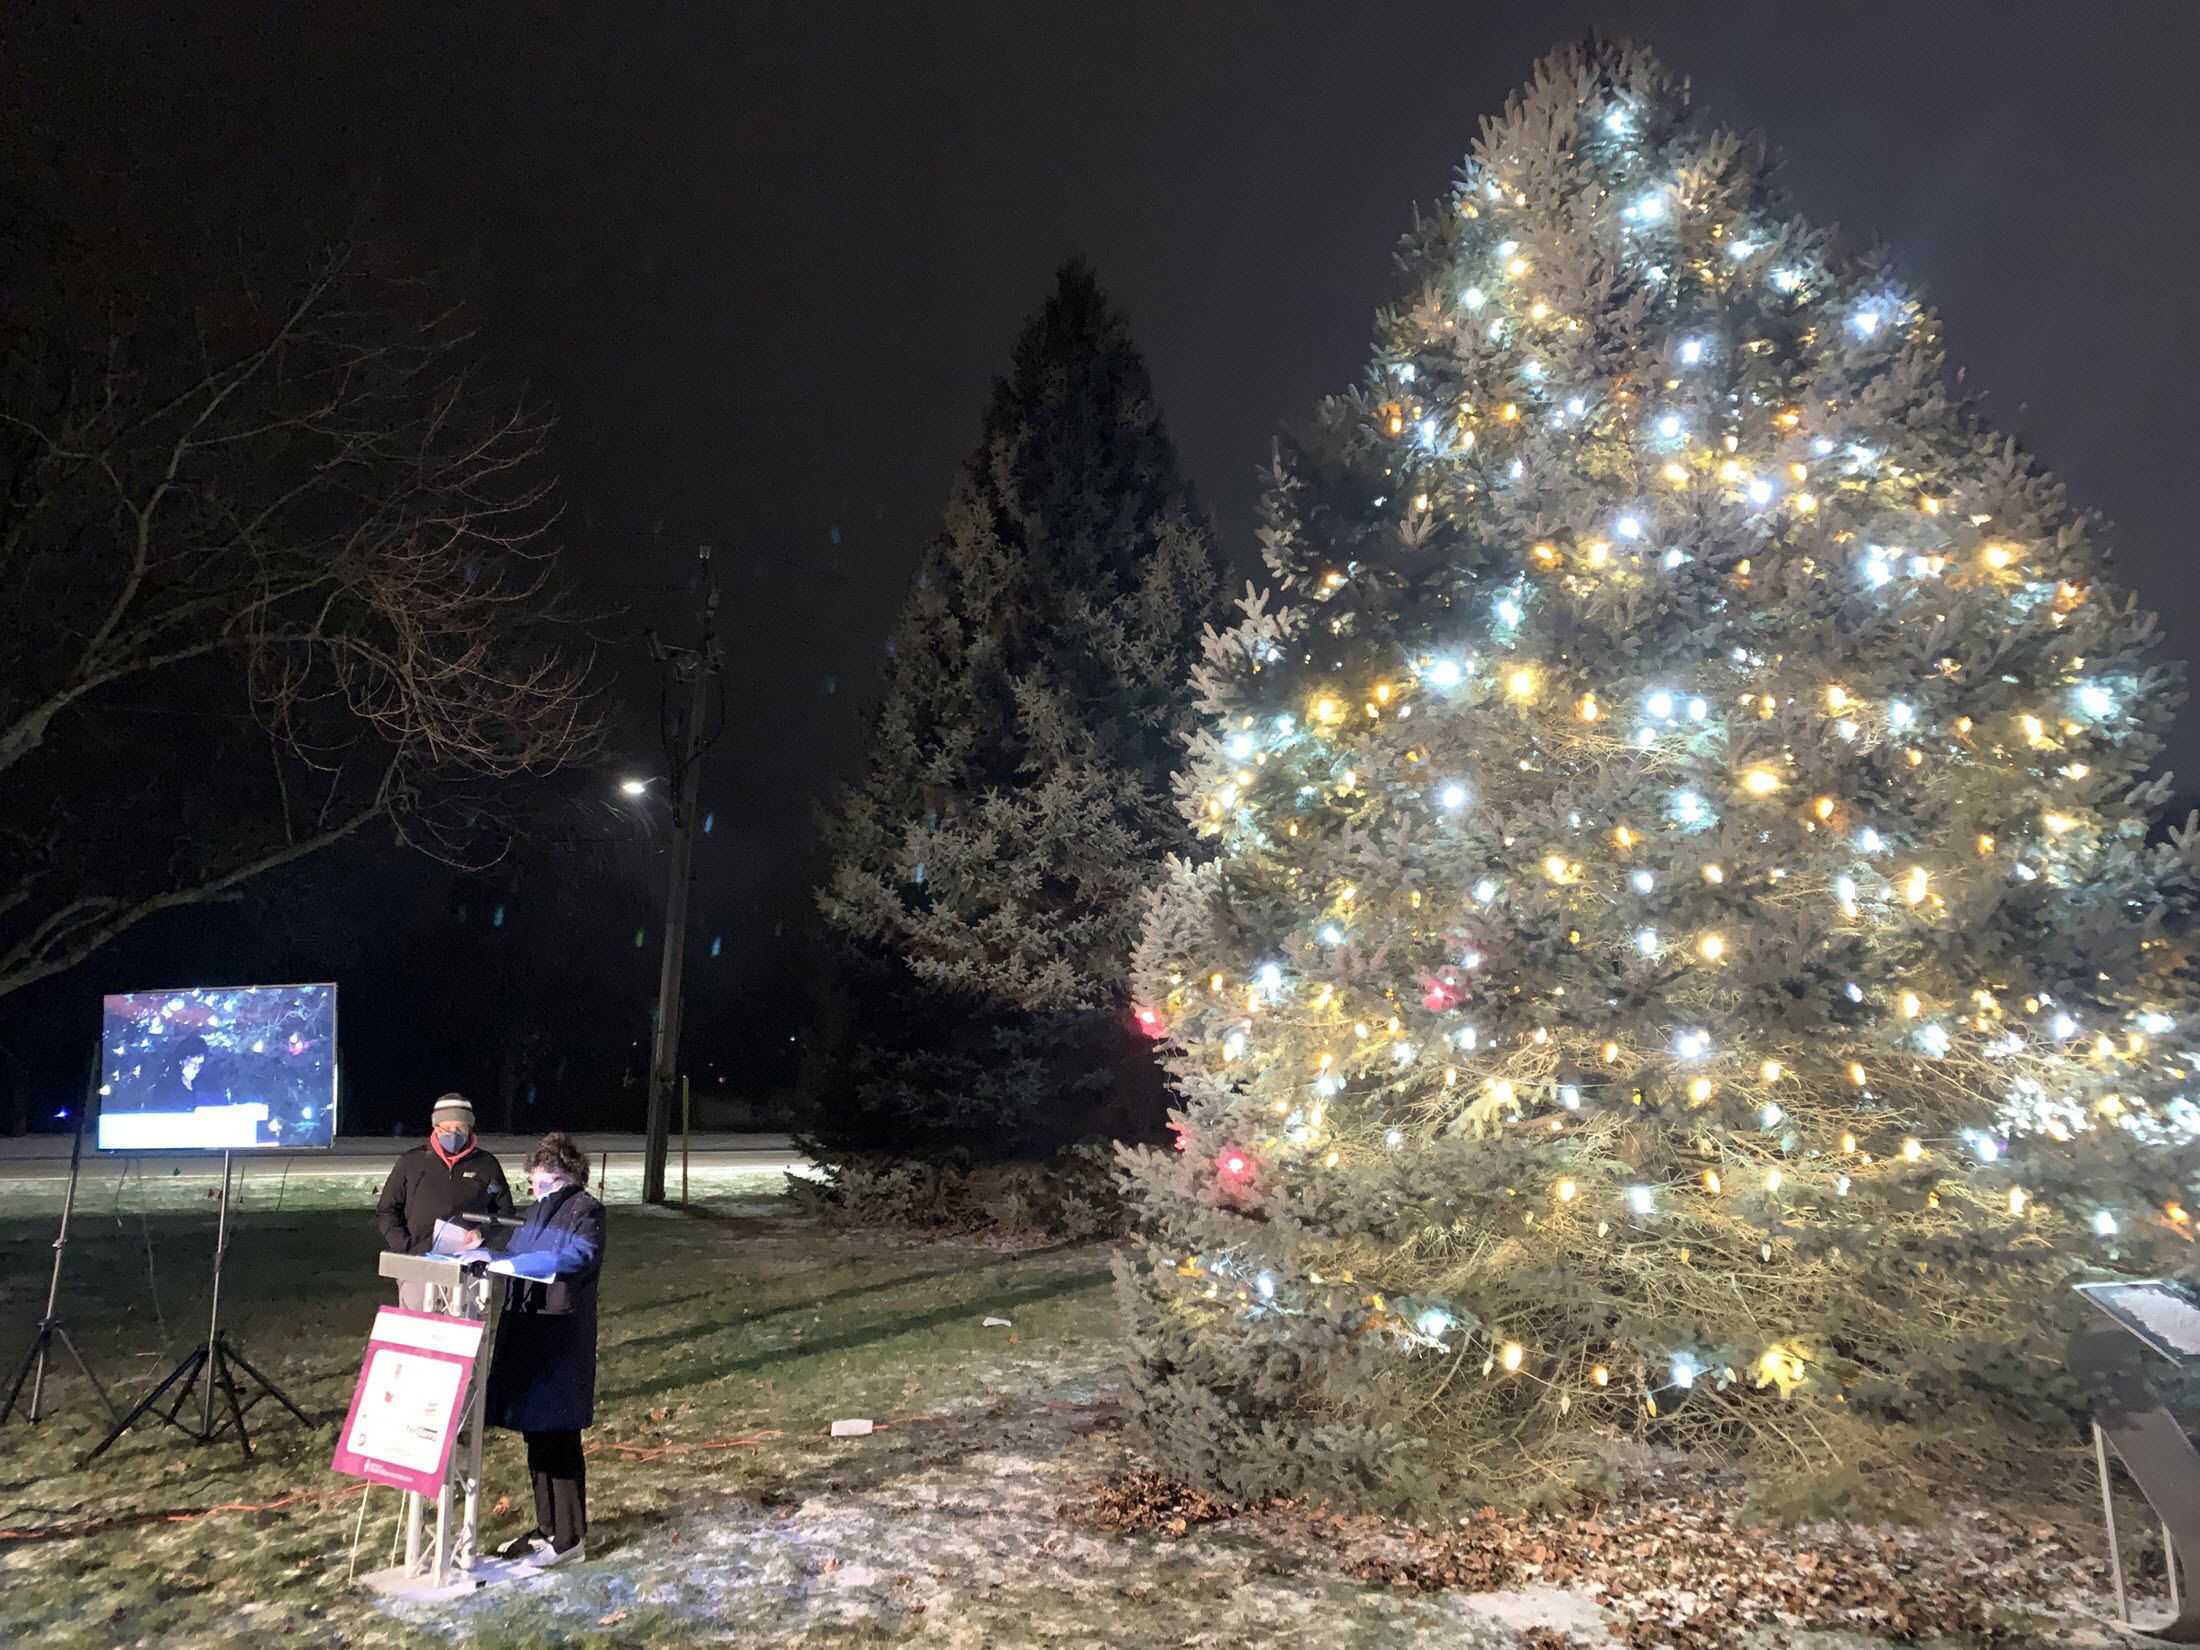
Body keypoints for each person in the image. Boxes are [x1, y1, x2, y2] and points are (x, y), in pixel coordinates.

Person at [485, 1131, 605, 1568]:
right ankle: (546, 1527)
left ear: (561, 1176)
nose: (533, 1189)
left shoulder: (585, 1209)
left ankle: (569, 1537)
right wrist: (483, 1255)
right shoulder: (536, 1212)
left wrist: (518, 1264)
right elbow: (514, 1254)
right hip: (527, 1332)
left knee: (559, 1434)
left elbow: (579, 1256)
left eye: (539, 1181)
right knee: (536, 1432)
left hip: (560, 1337)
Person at [375, 1096, 514, 1306]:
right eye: (446, 1128)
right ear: (435, 1127)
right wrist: (405, 1246)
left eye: (460, 1128)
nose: (453, 1134)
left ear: (469, 1128)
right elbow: (387, 1210)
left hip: (468, 1269)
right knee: (418, 1323)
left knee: (464, 1323)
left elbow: (505, 1213)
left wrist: (482, 1233)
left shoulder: (486, 1165)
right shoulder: (411, 1162)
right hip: (418, 1265)